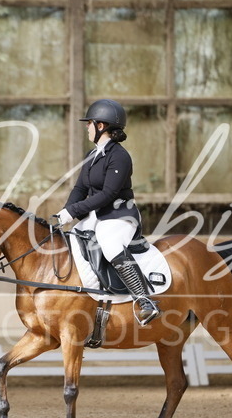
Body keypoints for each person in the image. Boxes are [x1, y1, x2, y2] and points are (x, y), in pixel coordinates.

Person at [55, 99, 160, 326]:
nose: (87, 127)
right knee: (71, 240)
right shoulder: (91, 155)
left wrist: (73, 210)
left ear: (101, 126)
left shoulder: (120, 156)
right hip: (95, 216)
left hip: (119, 215)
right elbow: (80, 188)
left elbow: (109, 194)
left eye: (89, 123)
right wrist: (65, 213)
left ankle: (145, 301)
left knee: (110, 245)